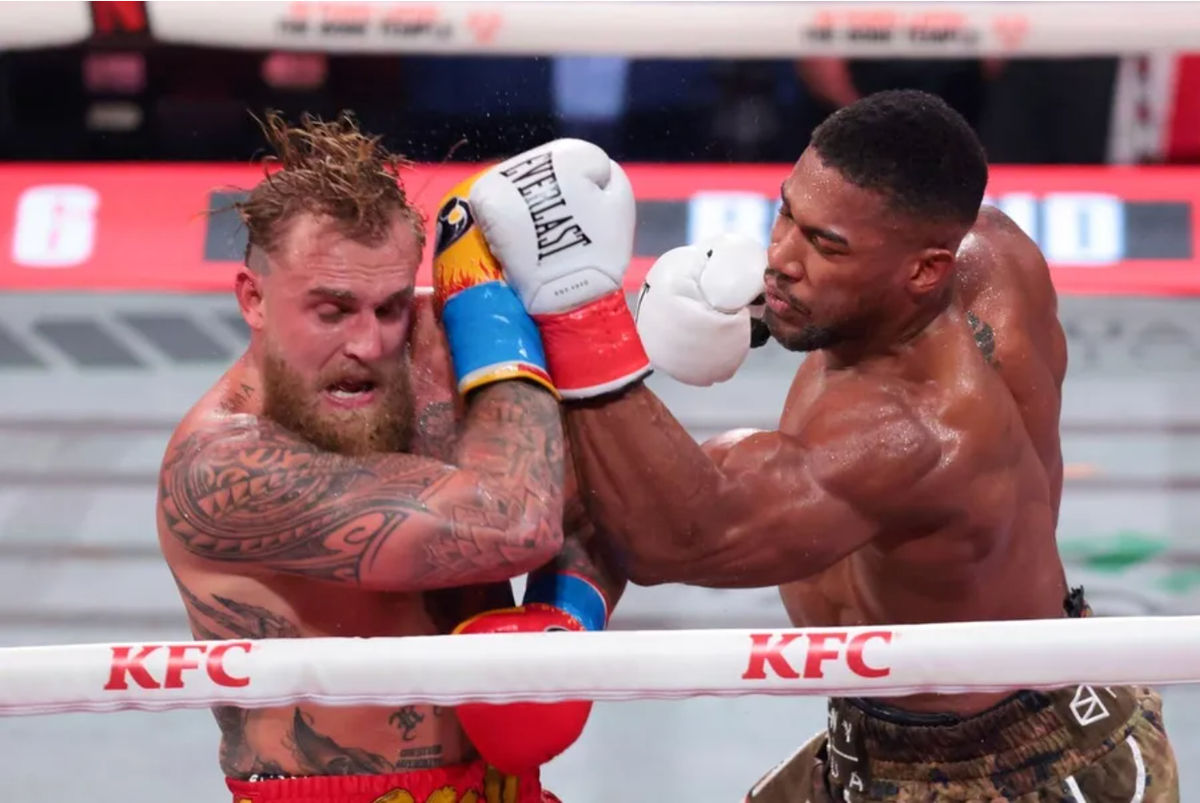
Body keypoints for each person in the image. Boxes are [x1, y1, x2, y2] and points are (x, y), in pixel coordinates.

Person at [461, 93, 1180, 801]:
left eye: (824, 245)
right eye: (787, 215)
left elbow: (681, 538)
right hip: (939, 716)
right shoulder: (991, 251)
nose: (778, 257)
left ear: (927, 269)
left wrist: (584, 317)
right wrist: (772, 312)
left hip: (1010, 774)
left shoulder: (916, 429)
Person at [157, 112, 624, 803]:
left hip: (504, 786)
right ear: (253, 300)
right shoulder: (220, 466)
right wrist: (495, 320)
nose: (369, 342)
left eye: (389, 306)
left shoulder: (440, 351)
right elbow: (520, 522)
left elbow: (599, 512)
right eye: (332, 310)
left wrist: (566, 616)